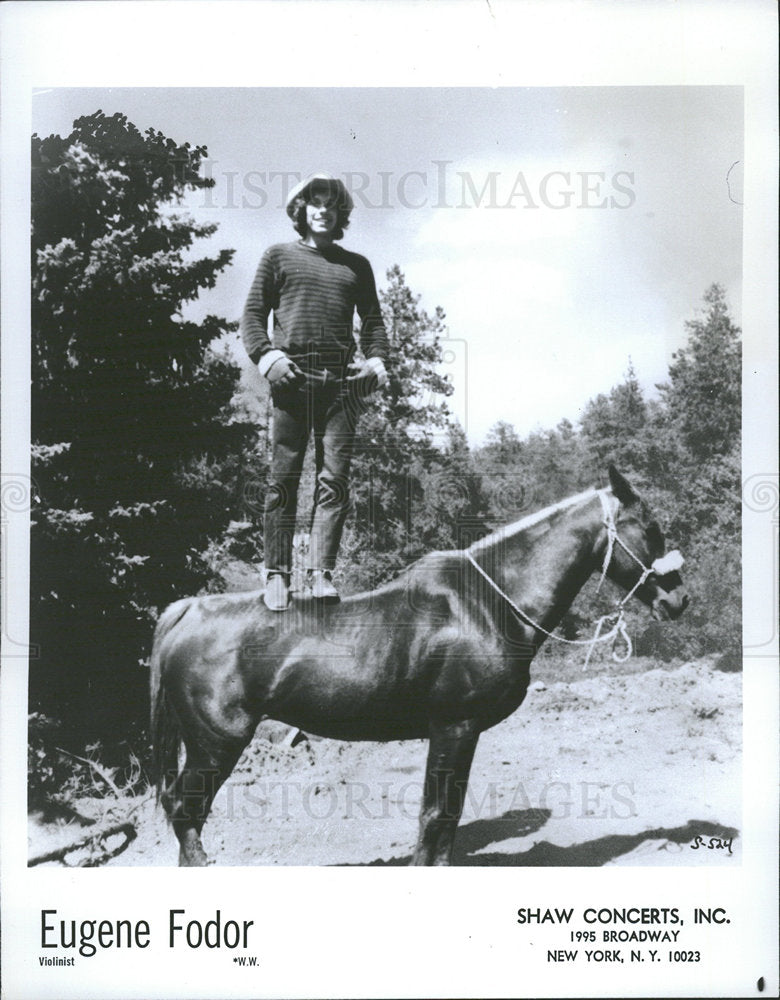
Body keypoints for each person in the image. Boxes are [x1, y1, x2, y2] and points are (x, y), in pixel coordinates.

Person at [242, 174, 389, 611]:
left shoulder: (355, 266)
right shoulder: (278, 257)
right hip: (291, 381)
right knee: (283, 478)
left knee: (334, 482)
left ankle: (321, 573)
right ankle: (277, 575)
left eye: (330, 203)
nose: (322, 209)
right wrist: (268, 359)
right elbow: (251, 316)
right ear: (301, 211)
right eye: (314, 202)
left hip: (343, 387)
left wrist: (376, 361)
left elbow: (374, 322)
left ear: (340, 213)